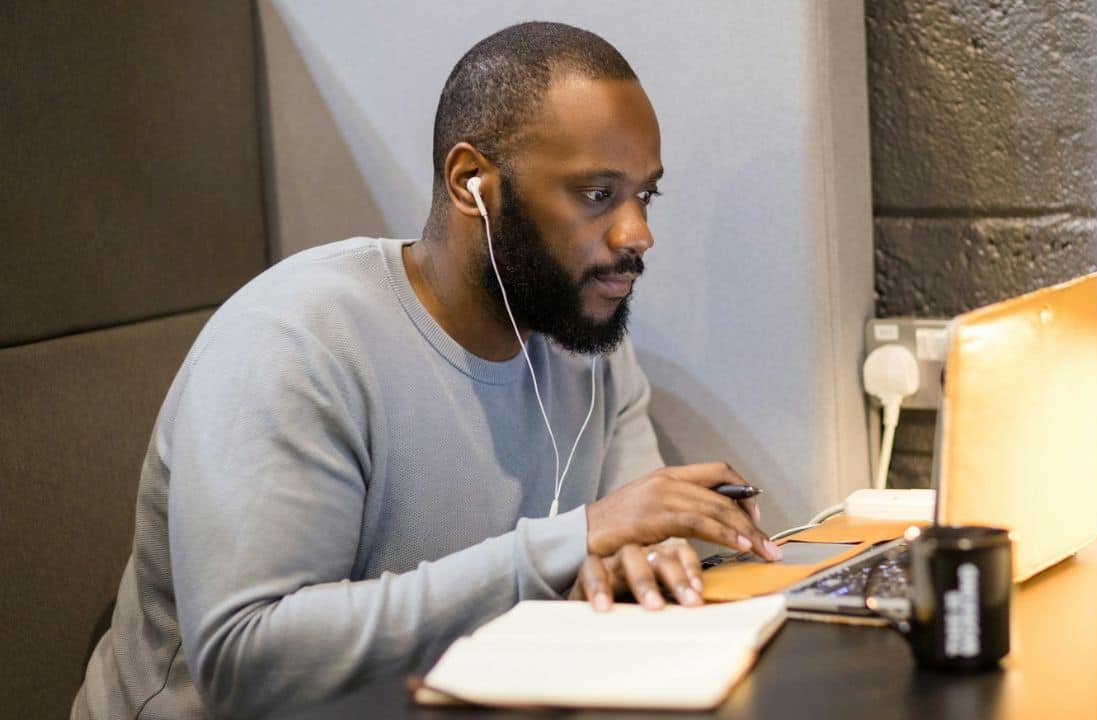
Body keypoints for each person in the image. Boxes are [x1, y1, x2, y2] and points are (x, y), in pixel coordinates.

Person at [73, 20, 781, 720]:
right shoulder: (295, 342)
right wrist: (574, 540)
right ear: (473, 183)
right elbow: (247, 663)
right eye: (597, 194)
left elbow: (631, 542)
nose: (637, 234)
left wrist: (647, 557)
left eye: (644, 195)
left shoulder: (585, 340)